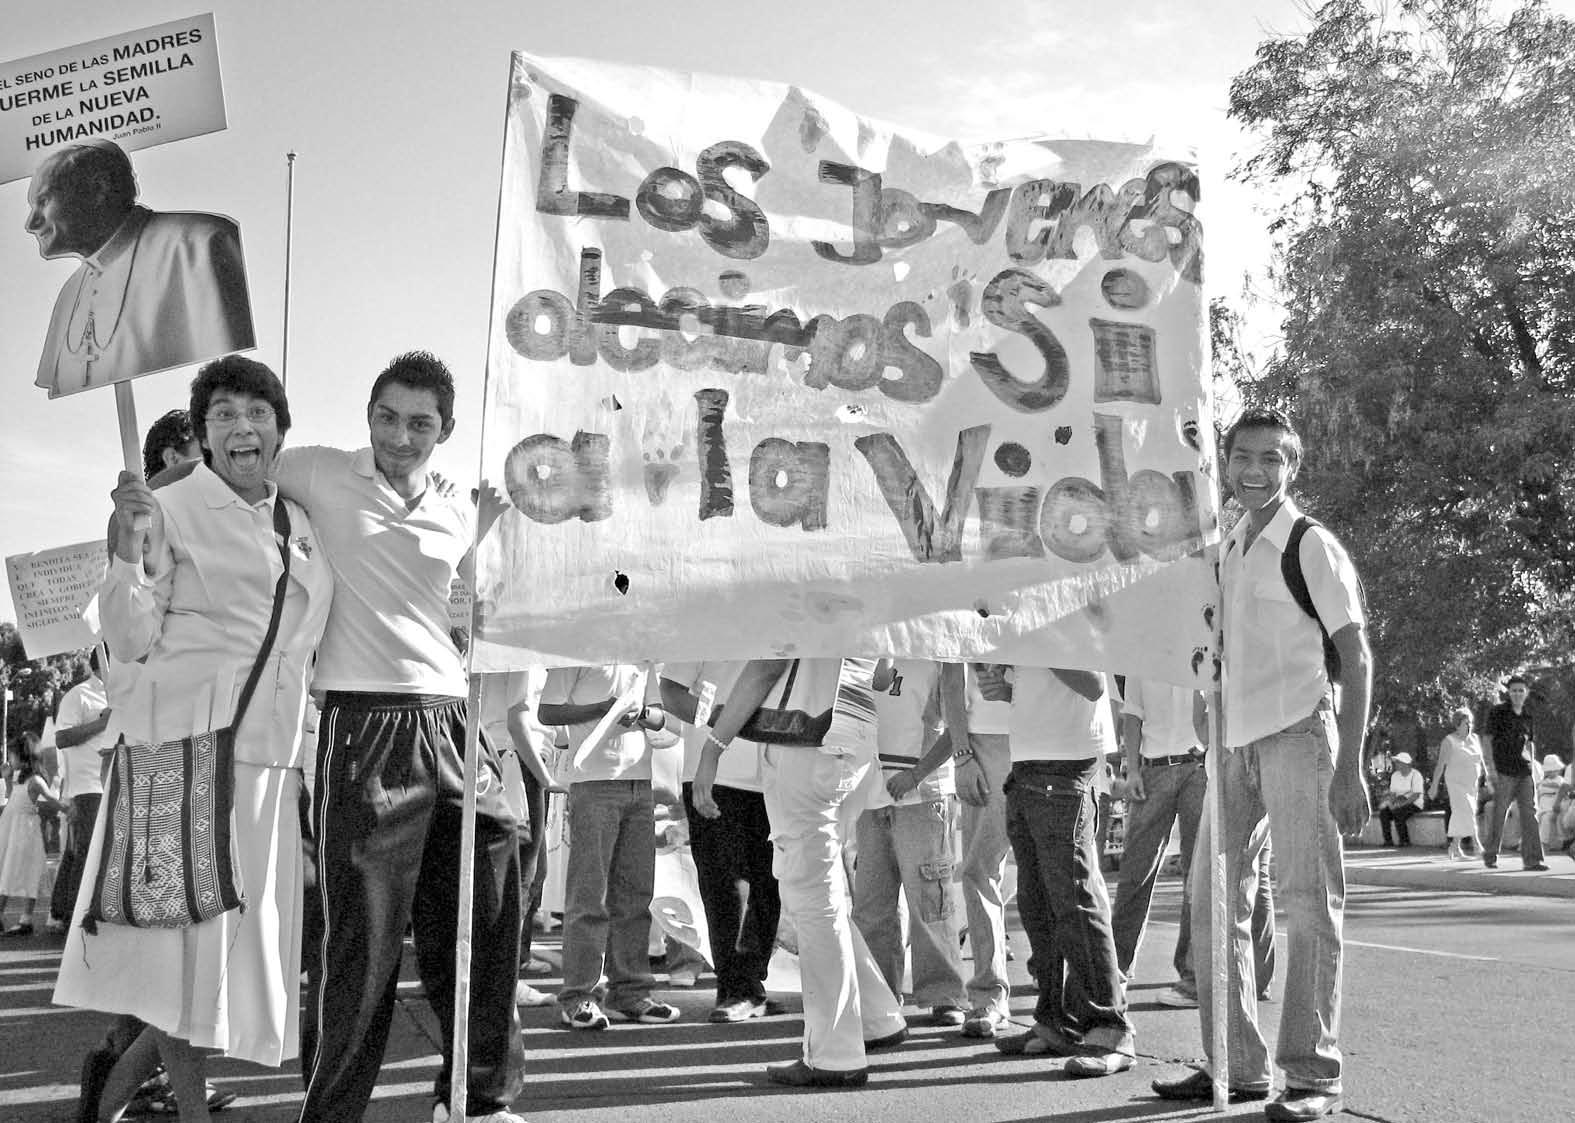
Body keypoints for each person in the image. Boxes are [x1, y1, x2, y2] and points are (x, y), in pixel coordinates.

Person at [54, 355, 332, 1123]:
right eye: (224, 414)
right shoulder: (172, 509)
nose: (243, 426)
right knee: (190, 967)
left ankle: (111, 1099)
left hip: (271, 768)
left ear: (281, 427)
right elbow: (129, 638)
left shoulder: (302, 520)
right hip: (190, 761)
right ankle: (175, 1110)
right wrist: (124, 549)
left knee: (222, 970)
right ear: (205, 433)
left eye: (257, 411)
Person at [1153, 407, 1371, 1121]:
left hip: (1298, 735)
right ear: (1226, 463)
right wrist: (1204, 700)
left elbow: (1356, 657)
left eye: (1271, 458)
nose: (1254, 470)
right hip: (1231, 742)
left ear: (1292, 466)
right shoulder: (1228, 543)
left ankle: (1312, 1075)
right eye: (1242, 456)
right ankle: (1236, 1065)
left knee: (1306, 902)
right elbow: (1216, 638)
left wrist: (1351, 765)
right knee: (1212, 901)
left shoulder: (1310, 546)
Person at [693, 658, 907, 1088]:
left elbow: (765, 667)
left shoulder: (804, 605)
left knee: (813, 900)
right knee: (819, 893)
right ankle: (877, 1017)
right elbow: (883, 674)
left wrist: (713, 747)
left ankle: (835, 1053)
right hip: (856, 740)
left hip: (809, 748)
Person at [992, 665, 1135, 1078]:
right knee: (1037, 903)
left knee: (1075, 901)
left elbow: (1093, 683)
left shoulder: (1057, 622)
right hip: (1030, 763)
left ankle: (1110, 1027)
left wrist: (1031, 644)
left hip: (1067, 764)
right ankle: (1056, 1021)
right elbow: (1049, 687)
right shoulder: (1033, 629)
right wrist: (1007, 688)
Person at [27, 140, 254, 398]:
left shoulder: (199, 244)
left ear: (98, 189)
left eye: (43, 201)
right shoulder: (70, 293)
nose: (31, 223)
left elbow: (233, 379)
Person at [538, 664, 679, 1029]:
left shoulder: (643, 656)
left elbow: (660, 716)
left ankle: (629, 993)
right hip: (592, 783)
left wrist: (642, 713)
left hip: (640, 783)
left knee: (635, 895)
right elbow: (547, 711)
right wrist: (602, 709)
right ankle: (578, 996)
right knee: (589, 895)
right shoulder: (576, 649)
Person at [660, 661, 784, 1023]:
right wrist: (725, 720)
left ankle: (750, 984)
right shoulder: (701, 627)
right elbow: (671, 691)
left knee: (769, 883)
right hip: (715, 773)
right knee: (724, 886)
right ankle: (737, 987)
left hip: (778, 770)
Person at [851, 659, 970, 1026]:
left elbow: (958, 726)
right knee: (871, 906)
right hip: (869, 794)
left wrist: (917, 774)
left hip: (923, 794)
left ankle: (944, 994)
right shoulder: (864, 651)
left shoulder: (939, 654)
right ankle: (879, 995)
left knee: (930, 902)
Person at [954, 662, 1014, 1038]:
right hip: (984, 739)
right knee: (979, 869)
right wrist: (962, 754)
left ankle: (1075, 997)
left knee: (1060, 872)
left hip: (1053, 738)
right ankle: (989, 995)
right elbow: (950, 676)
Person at [48, 648, 111, 933]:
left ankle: (62, 910)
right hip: (88, 785)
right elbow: (61, 738)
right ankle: (76, 917)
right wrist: (102, 723)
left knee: (80, 851)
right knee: (87, 851)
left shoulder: (122, 695)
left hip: (114, 781)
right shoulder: (79, 695)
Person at [1481, 676, 1546, 871]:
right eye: (1514, 690)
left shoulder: (1527, 716)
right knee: (1499, 813)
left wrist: (1533, 768)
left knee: (1530, 814)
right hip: (1503, 771)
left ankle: (1533, 860)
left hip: (1524, 772)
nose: (1517, 693)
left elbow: (1529, 743)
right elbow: (1487, 741)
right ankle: (1491, 855)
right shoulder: (1498, 712)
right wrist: (1490, 770)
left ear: (1526, 693)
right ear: (1508, 693)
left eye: (1521, 690)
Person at [0, 732, 62, 935]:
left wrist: (67, 808)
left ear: (24, 757)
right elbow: (12, 797)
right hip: (11, 828)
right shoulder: (18, 778)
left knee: (25, 871)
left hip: (24, 831)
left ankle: (26, 919)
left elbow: (51, 798)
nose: (10, 759)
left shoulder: (35, 781)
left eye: (12, 755)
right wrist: (7, 779)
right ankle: (14, 917)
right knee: (6, 870)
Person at [1428, 709, 1486, 860]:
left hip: (1471, 784)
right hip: (1456, 783)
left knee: (1463, 813)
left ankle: (1454, 847)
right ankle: (1478, 846)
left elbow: (1481, 760)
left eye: (1471, 723)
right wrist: (1434, 785)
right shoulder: (1449, 741)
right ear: (1457, 724)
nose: (1469, 726)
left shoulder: (1475, 738)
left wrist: (1487, 778)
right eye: (1466, 723)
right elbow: (1440, 765)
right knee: (1467, 810)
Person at [1377, 752, 1424, 847]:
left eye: (1398, 762)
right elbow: (1393, 794)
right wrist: (1390, 804)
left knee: (1399, 812)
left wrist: (1401, 805)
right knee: (1384, 813)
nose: (1396, 764)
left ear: (1405, 763)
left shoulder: (1416, 775)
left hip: (1414, 804)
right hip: (1398, 802)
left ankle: (1405, 841)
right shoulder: (1395, 775)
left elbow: (1416, 795)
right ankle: (1388, 841)